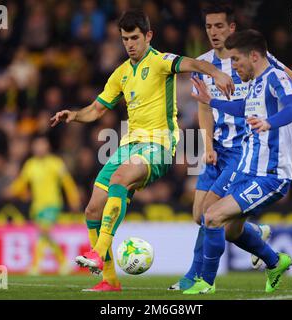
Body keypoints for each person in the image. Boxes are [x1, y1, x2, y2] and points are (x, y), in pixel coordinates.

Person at [50, 9, 234, 292]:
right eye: (125, 39)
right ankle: (110, 279)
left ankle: (98, 252)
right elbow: (97, 109)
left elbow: (192, 64)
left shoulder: (160, 62)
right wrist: (74, 115)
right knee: (92, 208)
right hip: (128, 145)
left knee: (120, 178)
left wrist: (217, 72)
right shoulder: (121, 73)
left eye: (135, 37)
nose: (130, 44)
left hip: (159, 145)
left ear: (148, 36)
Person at [169, 3, 292, 291]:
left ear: (232, 28)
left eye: (219, 26)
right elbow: (212, 108)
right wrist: (207, 142)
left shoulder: (260, 63)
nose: (213, 32)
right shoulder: (204, 63)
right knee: (204, 216)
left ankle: (196, 278)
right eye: (209, 27)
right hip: (220, 150)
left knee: (211, 215)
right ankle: (268, 253)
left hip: (246, 152)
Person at [6, 134, 80, 275]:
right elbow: (22, 183)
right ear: (33, 148)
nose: (40, 148)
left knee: (44, 231)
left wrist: (74, 199)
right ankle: (63, 263)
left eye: (42, 145)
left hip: (52, 204)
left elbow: (67, 182)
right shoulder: (30, 164)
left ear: (48, 147)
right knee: (44, 234)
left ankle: (35, 265)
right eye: (37, 145)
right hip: (37, 207)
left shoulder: (56, 163)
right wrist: (12, 190)